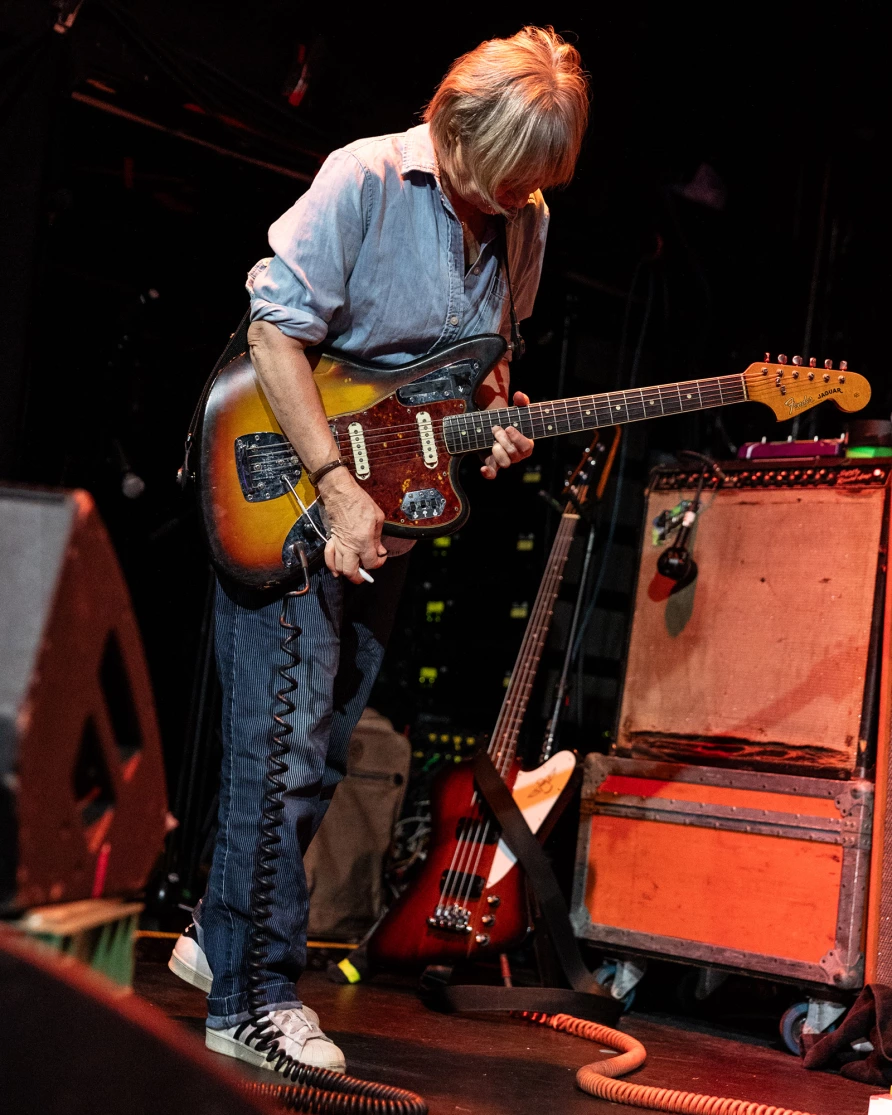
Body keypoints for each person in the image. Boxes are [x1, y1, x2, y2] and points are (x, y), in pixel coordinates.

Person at [168, 25, 589, 1075]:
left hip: (392, 517)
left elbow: (482, 368)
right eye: (499, 177)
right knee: (281, 743)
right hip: (290, 482)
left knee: (317, 745)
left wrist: (498, 417)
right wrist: (332, 483)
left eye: (529, 185)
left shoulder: (525, 220)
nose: (509, 200)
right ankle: (253, 998)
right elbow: (274, 333)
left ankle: (221, 932)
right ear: (452, 122)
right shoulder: (361, 177)